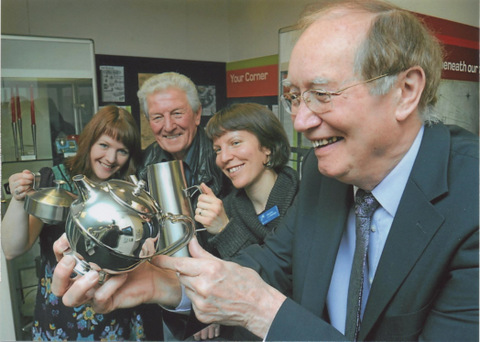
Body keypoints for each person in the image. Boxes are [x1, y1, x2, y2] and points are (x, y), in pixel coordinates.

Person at [51, 1, 479, 341]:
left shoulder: (471, 198)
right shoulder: (321, 173)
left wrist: (262, 311)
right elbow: (270, 266)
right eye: (295, 96)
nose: (301, 121)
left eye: (323, 94)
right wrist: (163, 283)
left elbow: (264, 299)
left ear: (405, 91)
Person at [2, 105, 147, 341]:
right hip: (61, 312)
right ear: (89, 142)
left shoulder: (129, 191)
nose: (111, 158)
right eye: (104, 145)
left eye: (122, 151)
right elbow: (11, 249)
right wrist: (19, 200)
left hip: (114, 308)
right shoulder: (56, 180)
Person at [192, 103, 299, 340]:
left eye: (236, 143)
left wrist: (225, 230)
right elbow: (224, 283)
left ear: (268, 148)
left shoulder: (302, 201)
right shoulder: (225, 207)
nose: (225, 157)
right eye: (218, 149)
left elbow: (280, 283)